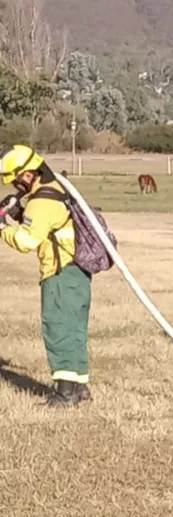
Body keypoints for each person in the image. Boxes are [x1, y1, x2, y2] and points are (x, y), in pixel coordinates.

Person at [0, 145, 94, 406]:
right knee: (75, 330)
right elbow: (48, 226)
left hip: (59, 271)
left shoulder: (42, 201)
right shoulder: (57, 189)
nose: (16, 187)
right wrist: (20, 214)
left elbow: (26, 241)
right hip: (77, 272)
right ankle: (80, 388)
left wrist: (2, 227)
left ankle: (64, 393)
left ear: (27, 174)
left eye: (16, 180)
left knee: (58, 328)